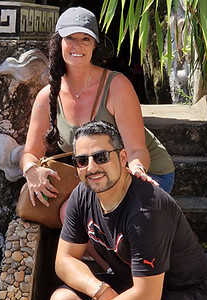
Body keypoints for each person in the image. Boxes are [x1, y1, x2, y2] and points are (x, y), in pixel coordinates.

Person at [48, 121, 207, 300]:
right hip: (131, 283)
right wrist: (101, 292)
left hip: (186, 294)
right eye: (82, 160)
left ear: (122, 157)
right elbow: (64, 259)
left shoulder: (146, 210)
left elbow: (148, 297)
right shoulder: (83, 195)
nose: (91, 167)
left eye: (101, 157)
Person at [20, 6, 175, 214]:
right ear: (59, 42)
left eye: (85, 39)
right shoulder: (48, 96)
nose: (78, 45)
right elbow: (30, 152)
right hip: (96, 177)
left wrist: (137, 171)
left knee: (73, 212)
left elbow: (137, 151)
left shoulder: (117, 86)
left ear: (94, 45)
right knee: (68, 210)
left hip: (145, 173)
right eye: (71, 38)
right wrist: (32, 171)